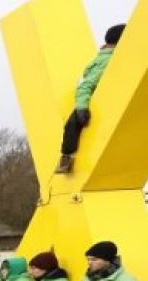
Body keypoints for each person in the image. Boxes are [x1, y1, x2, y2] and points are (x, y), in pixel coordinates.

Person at [56, 24, 125, 174]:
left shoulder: (112, 57)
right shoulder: (107, 60)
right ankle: (66, 157)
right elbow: (85, 85)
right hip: (94, 101)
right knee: (73, 123)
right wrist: (82, 107)